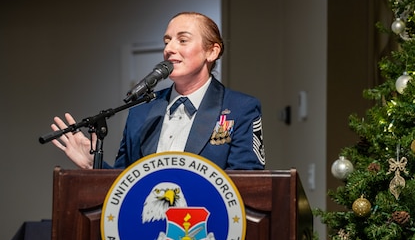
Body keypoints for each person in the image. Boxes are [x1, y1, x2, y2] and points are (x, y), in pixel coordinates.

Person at [50, 12, 265, 170]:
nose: (169, 49)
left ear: (212, 51)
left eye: (182, 40)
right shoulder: (141, 111)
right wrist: (93, 165)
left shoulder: (240, 108)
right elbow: (124, 183)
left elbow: (247, 181)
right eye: (167, 41)